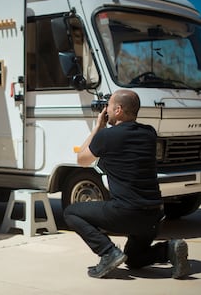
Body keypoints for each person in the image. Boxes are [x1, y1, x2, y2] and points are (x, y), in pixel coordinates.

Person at [64, 89, 190, 279]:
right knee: (133, 260)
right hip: (154, 216)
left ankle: (107, 252)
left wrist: (98, 127)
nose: (106, 109)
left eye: (109, 106)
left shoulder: (106, 137)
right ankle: (168, 250)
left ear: (118, 110)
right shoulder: (149, 133)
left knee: (71, 212)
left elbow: (81, 159)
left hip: (127, 213)